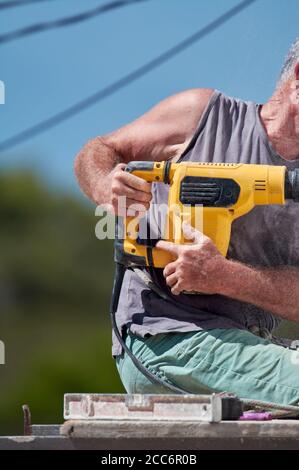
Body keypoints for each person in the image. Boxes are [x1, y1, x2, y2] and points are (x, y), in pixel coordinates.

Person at [75, 38, 299, 405]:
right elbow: (98, 150)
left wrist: (224, 276)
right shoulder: (202, 116)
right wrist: (104, 183)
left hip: (249, 347)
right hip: (166, 341)